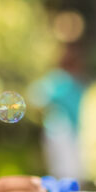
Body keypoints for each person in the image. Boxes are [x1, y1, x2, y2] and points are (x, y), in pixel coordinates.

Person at [30, 40, 87, 180]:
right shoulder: (61, 81)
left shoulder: (61, 81)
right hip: (62, 133)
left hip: (64, 132)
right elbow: (37, 97)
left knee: (65, 171)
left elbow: (36, 99)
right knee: (69, 172)